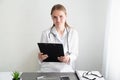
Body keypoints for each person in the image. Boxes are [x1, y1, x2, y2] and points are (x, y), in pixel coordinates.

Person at [38, 4, 79, 72]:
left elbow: (75, 54)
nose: (58, 20)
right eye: (55, 17)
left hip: (66, 69)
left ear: (66, 16)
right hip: (48, 70)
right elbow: (41, 56)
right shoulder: (45, 33)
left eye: (61, 16)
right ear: (52, 18)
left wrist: (68, 58)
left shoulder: (73, 33)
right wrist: (40, 57)